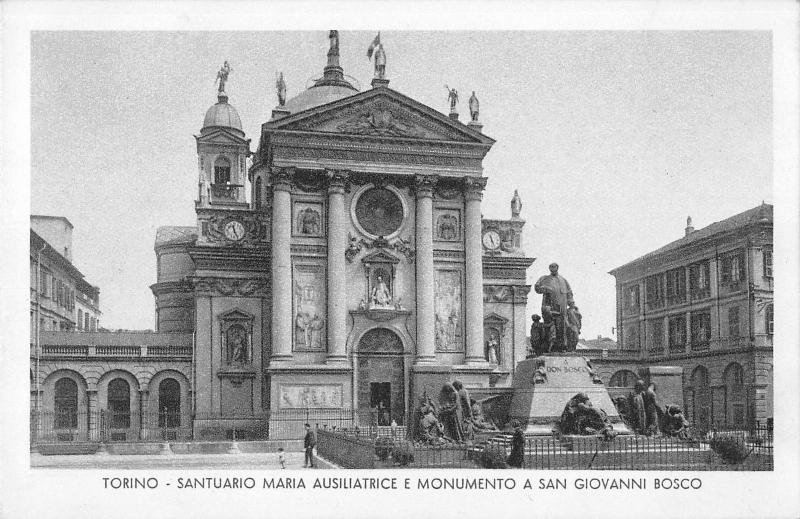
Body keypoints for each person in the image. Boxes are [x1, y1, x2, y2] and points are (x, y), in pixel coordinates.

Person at [534, 263, 575, 351]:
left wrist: (571, 304)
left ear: (557, 268)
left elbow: (569, 293)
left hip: (561, 307)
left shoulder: (563, 280)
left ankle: (561, 347)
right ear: (549, 268)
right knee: (549, 326)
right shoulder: (544, 278)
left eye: (554, 267)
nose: (552, 268)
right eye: (551, 267)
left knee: (561, 327)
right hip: (549, 306)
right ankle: (548, 346)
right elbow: (537, 288)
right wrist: (544, 288)